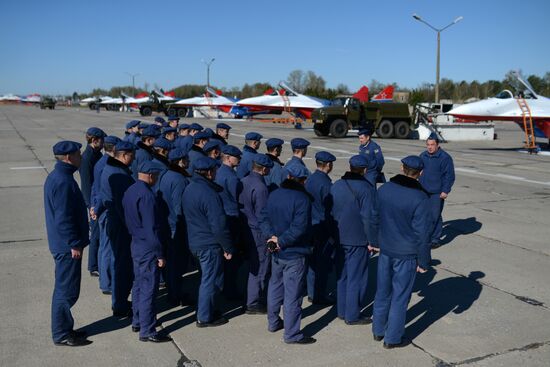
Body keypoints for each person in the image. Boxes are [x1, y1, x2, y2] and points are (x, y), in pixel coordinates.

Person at [372, 156, 430, 349]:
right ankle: (393, 338)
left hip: (386, 249)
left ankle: (378, 330)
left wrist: (375, 241)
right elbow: (422, 233)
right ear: (420, 174)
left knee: (382, 291)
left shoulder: (385, 189)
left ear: (401, 168)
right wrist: (423, 261)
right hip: (406, 254)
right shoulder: (420, 197)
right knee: (400, 297)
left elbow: (375, 217)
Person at [259, 164, 316, 345]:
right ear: (302, 180)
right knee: (293, 295)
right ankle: (291, 334)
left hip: (276, 251)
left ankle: (273, 322)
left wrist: (272, 238)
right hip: (293, 252)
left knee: (275, 286)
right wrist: (281, 241)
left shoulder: (275, 193)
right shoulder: (302, 199)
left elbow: (264, 218)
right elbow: (299, 228)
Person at [45, 141, 92, 347]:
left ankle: (65, 328)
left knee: (65, 289)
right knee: (66, 291)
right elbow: (63, 219)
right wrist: (74, 243)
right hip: (67, 247)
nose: (81, 156)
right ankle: (61, 333)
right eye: (78, 154)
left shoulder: (59, 176)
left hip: (63, 244)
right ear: (68, 157)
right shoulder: (63, 181)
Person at [122, 160, 172, 343]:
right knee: (149, 290)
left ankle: (137, 320)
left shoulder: (130, 190)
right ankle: (148, 329)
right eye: (156, 176)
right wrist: (159, 253)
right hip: (148, 247)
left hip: (136, 243)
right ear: (150, 175)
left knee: (138, 285)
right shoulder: (148, 196)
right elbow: (152, 229)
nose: (156, 179)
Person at [183, 156, 234, 327]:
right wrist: (227, 246)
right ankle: (205, 316)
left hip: (195, 242)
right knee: (211, 280)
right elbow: (219, 225)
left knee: (205, 278)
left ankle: (208, 309)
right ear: (210, 173)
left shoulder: (190, 188)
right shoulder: (209, 194)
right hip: (208, 244)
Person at [331, 155, 378, 325]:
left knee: (342, 276)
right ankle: (352, 315)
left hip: (338, 237)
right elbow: (368, 218)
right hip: (357, 239)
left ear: (350, 167)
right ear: (365, 170)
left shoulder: (337, 184)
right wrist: (373, 241)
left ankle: (342, 311)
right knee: (356, 278)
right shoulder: (366, 189)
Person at [100, 141, 136, 317]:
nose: (133, 159)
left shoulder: (110, 168)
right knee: (123, 266)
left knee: (119, 264)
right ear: (124, 155)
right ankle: (120, 304)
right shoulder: (118, 174)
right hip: (121, 226)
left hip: (115, 222)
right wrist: (133, 229)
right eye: (132, 156)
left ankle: (119, 300)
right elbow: (124, 207)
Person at [157, 148, 192, 305]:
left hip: (166, 224)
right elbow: (180, 207)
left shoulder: (165, 175)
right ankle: (175, 294)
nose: (188, 162)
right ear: (181, 161)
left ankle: (172, 291)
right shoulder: (179, 179)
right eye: (186, 159)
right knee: (176, 264)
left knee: (170, 263)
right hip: (175, 227)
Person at [240, 154, 273, 314]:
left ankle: (250, 298)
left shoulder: (245, 180)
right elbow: (263, 215)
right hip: (257, 232)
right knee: (260, 267)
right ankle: (253, 302)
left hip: (246, 227)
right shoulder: (261, 188)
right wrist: (269, 236)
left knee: (253, 265)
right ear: (264, 169)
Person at [305, 151, 336, 305]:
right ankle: (319, 294)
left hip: (311, 226)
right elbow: (330, 211)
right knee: (322, 264)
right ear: (328, 165)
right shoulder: (326, 184)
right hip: (323, 228)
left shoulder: (310, 179)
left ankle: (311, 292)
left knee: (312, 262)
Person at [90, 135, 120, 295]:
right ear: (113, 148)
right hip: (106, 210)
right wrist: (97, 208)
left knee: (104, 246)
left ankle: (105, 281)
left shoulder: (101, 162)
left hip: (101, 209)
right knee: (108, 248)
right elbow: (102, 191)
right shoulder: (106, 164)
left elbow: (94, 187)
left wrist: (94, 206)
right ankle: (107, 283)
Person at [214, 145, 244, 300]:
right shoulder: (231, 177)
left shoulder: (218, 172)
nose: (239, 159)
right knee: (232, 258)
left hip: (222, 218)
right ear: (228, 158)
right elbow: (238, 198)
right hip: (232, 218)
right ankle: (230, 290)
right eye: (236, 157)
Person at [419, 132, 455, 249]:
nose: (429, 147)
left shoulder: (445, 158)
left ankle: (435, 239)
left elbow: (449, 176)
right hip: (423, 190)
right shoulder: (423, 156)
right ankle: (427, 235)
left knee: (434, 215)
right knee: (425, 215)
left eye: (432, 145)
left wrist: (445, 190)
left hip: (437, 192)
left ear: (437, 145)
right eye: (428, 144)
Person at [79, 127, 106, 277]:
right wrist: (92, 206)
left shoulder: (96, 154)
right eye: (101, 141)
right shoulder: (87, 158)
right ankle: (93, 265)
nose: (103, 143)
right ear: (94, 141)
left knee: (99, 233)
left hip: (96, 199)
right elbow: (87, 185)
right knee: (95, 233)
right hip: (93, 202)